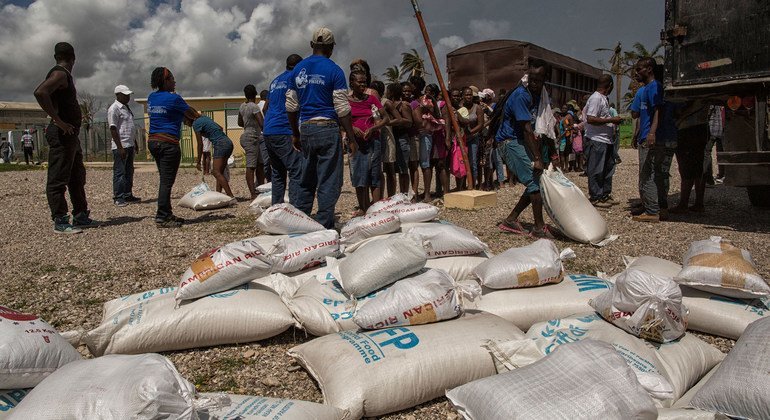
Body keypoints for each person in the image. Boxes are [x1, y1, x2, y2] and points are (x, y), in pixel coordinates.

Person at [285, 27, 356, 229]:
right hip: (328, 127)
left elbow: (291, 106)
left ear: (311, 45)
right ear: (331, 47)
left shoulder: (298, 69)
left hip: (306, 128)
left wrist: (295, 134)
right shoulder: (334, 70)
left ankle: (301, 222)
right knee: (329, 179)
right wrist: (351, 137)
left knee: (306, 178)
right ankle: (324, 224)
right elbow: (342, 108)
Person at [33, 42, 94, 234]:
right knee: (58, 178)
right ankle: (60, 220)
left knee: (77, 176)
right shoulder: (59, 74)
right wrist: (58, 120)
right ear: (73, 57)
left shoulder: (63, 74)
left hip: (70, 135)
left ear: (55, 56)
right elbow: (40, 92)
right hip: (62, 134)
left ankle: (80, 214)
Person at [496, 59, 554, 238]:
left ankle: (511, 219)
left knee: (536, 181)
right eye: (533, 79)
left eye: (540, 80)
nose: (535, 84)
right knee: (534, 183)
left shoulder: (539, 95)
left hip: (520, 140)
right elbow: (527, 128)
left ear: (545, 79)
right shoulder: (522, 95)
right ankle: (538, 227)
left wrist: (549, 155)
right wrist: (537, 158)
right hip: (510, 141)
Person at [147, 66, 198, 228]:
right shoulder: (174, 99)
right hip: (168, 144)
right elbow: (191, 114)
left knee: (164, 179)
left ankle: (167, 213)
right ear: (165, 81)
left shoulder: (151, 98)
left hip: (153, 142)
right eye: (172, 79)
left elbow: (169, 114)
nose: (175, 82)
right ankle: (162, 216)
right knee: (167, 182)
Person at [263, 54, 304, 206]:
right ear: (299, 66)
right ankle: (294, 210)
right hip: (283, 129)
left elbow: (265, 108)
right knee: (296, 169)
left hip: (268, 130)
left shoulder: (275, 81)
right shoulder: (295, 79)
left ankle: (277, 209)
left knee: (278, 172)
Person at [348, 70, 387, 214]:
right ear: (352, 83)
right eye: (360, 82)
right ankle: (364, 208)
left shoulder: (372, 100)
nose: (363, 84)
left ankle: (375, 209)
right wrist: (352, 129)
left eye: (364, 82)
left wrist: (373, 128)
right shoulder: (347, 102)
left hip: (373, 141)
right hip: (356, 144)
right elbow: (340, 121)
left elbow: (385, 118)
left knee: (374, 175)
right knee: (359, 176)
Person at [629, 57, 662, 222]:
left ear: (649, 69)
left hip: (649, 137)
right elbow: (640, 115)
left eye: (639, 69)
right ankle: (647, 204)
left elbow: (657, 111)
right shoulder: (646, 89)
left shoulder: (654, 87)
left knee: (648, 174)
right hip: (643, 136)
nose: (637, 72)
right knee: (644, 173)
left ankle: (652, 210)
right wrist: (637, 133)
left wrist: (652, 133)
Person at [584, 74, 623, 208]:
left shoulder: (603, 99)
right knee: (596, 169)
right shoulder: (595, 98)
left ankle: (605, 194)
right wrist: (612, 120)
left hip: (606, 140)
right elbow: (591, 119)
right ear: (610, 86)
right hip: (596, 140)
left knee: (607, 168)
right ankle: (596, 196)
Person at [670, 100, 710, 213]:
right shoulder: (704, 94)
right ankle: (699, 203)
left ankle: (683, 204)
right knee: (698, 167)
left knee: (686, 168)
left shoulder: (688, 95)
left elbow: (681, 109)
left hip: (687, 128)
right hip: (701, 127)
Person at [186, 114, 235, 197]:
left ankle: (231, 197)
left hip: (220, 144)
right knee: (220, 172)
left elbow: (200, 144)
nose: (184, 123)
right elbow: (220, 128)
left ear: (188, 118)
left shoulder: (196, 124)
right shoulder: (204, 118)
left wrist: (198, 161)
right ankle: (218, 195)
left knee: (215, 172)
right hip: (228, 142)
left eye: (184, 121)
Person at [107, 84, 140, 207]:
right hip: (121, 146)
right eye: (125, 95)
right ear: (118, 95)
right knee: (119, 172)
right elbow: (113, 128)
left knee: (129, 171)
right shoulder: (114, 108)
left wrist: (134, 142)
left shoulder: (127, 108)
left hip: (129, 144)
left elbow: (130, 127)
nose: (128, 97)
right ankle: (118, 197)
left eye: (129, 95)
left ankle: (127, 194)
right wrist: (120, 147)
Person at [381, 82, 412, 196]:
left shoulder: (403, 105)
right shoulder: (388, 103)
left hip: (401, 139)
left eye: (388, 90)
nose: (386, 92)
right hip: (391, 138)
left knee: (403, 169)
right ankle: (393, 196)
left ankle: (404, 194)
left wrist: (391, 123)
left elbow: (409, 122)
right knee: (392, 169)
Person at [238, 84, 265, 199]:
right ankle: (253, 194)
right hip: (252, 138)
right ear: (255, 94)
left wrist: (248, 123)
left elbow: (240, 123)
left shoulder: (242, 106)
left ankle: (261, 189)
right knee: (251, 166)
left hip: (246, 136)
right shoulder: (254, 107)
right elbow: (262, 123)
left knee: (260, 164)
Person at [401, 81, 421, 198]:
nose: (407, 93)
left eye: (408, 91)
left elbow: (419, 122)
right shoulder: (399, 103)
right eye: (404, 91)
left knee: (413, 166)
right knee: (404, 167)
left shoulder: (414, 104)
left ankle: (414, 192)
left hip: (413, 137)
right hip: (402, 137)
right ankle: (404, 193)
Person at [705, 105, 725, 184]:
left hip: (712, 129)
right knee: (720, 152)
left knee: (706, 153)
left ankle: (708, 179)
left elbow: (708, 113)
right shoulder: (718, 102)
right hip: (719, 129)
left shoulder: (711, 103)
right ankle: (722, 174)